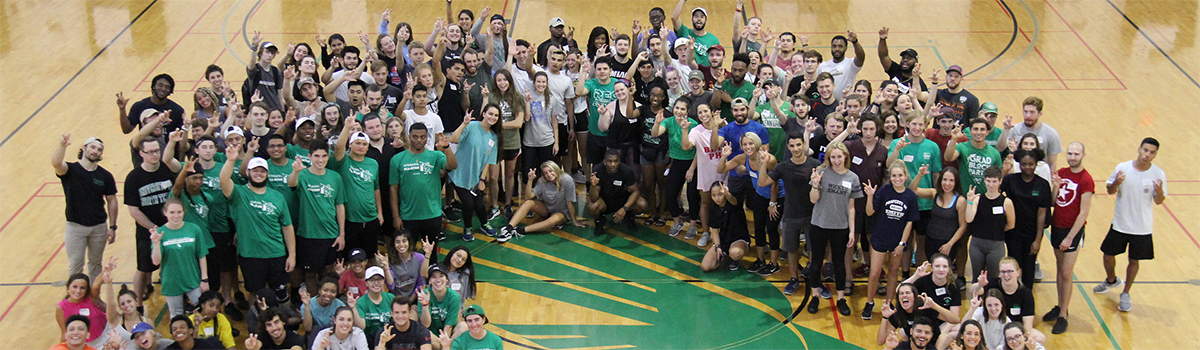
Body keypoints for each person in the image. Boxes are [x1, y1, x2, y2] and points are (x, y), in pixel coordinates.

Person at [1095, 137, 1167, 312]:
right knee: (1107, 255)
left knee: (1134, 261)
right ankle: (1111, 280)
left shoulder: (1158, 174)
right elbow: (1110, 190)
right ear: (1139, 149)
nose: (1147, 155)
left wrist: (1159, 193)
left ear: (1155, 155)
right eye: (1145, 150)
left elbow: (1159, 201)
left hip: (1142, 227)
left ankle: (1126, 293)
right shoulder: (1123, 168)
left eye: (1151, 152)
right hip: (1120, 223)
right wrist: (1116, 183)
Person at [219, 144, 295, 305]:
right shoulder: (239, 194)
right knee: (255, 295)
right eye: (255, 170)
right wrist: (231, 160)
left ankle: (286, 327)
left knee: (281, 295)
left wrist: (292, 255)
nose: (259, 174)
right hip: (251, 255)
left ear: (267, 174)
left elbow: (287, 227)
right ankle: (256, 328)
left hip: (277, 253)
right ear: (248, 173)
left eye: (262, 171)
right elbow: (224, 181)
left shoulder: (278, 197)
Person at [805, 142, 862, 316]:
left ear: (845, 156)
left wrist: (852, 231)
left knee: (839, 264)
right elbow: (813, 200)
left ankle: (841, 298)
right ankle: (814, 296)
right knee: (816, 263)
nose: (836, 160)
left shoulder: (853, 177)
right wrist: (815, 184)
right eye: (833, 157)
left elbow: (851, 207)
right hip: (819, 224)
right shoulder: (821, 173)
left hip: (841, 227)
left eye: (839, 156)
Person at [1041, 141, 1092, 333]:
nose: (1072, 157)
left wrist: (1070, 237)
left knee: (1066, 273)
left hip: (1072, 231)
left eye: (1076, 154)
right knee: (1059, 269)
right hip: (1057, 227)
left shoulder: (1086, 180)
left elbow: (1083, 213)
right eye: (1069, 153)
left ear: (1083, 155)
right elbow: (1054, 202)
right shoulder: (1062, 173)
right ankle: (1060, 305)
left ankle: (1063, 314)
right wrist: (1055, 187)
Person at [53, 134, 118, 279]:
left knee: (96, 263)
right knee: (76, 264)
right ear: (84, 148)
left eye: (99, 149)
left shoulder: (105, 176)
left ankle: (94, 297)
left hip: (99, 227)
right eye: (92, 147)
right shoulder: (70, 170)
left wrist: (113, 227)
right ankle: (75, 300)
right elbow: (57, 163)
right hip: (75, 227)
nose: (95, 151)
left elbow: (112, 200)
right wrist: (62, 146)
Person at [762, 134, 820, 295]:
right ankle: (794, 278)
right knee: (791, 250)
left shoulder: (815, 164)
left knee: (814, 249)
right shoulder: (783, 166)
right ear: (788, 147)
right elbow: (763, 182)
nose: (796, 149)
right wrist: (763, 164)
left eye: (798, 145)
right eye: (792, 146)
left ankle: (816, 279)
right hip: (791, 214)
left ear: (804, 145)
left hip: (812, 215)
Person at [126, 135, 181, 305]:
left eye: (157, 150)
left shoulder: (167, 170)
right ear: (141, 153)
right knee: (144, 269)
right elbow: (134, 211)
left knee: (174, 266)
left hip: (172, 228)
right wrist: (154, 228)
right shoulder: (133, 178)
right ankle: (138, 305)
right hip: (147, 232)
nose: (154, 155)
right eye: (150, 152)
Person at [861, 161, 919, 320]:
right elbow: (870, 211)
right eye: (894, 175)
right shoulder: (884, 191)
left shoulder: (910, 196)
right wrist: (870, 196)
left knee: (893, 272)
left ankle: (888, 303)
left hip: (897, 241)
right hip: (880, 238)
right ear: (890, 177)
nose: (897, 178)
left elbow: (909, 223)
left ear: (905, 176)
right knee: (874, 273)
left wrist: (902, 244)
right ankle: (870, 302)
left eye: (900, 175)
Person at [718, 133, 781, 276]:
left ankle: (774, 264)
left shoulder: (769, 159)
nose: (748, 147)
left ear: (757, 143)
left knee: (771, 228)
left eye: (751, 143)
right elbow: (721, 169)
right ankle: (760, 260)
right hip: (760, 194)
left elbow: (775, 183)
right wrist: (724, 156)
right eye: (745, 144)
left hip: (776, 195)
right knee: (758, 227)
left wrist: (773, 203)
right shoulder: (743, 158)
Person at [886, 111, 941, 273]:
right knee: (905, 241)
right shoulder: (898, 143)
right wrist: (897, 149)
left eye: (920, 124)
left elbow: (937, 173)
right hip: (903, 202)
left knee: (922, 241)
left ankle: (920, 274)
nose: (917, 127)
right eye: (914, 124)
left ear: (926, 126)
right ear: (907, 124)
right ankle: (904, 274)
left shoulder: (932, 147)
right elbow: (890, 165)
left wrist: (937, 196)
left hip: (925, 204)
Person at [288, 141, 346, 293]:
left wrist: (342, 234)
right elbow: (291, 184)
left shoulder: (335, 177)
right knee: (310, 273)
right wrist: (295, 172)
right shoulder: (302, 175)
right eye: (316, 156)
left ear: (328, 157)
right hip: (308, 234)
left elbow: (339, 205)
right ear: (310, 157)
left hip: (331, 233)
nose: (320, 160)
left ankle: (327, 304)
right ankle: (313, 307)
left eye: (324, 156)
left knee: (329, 271)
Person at [389, 122, 458, 243]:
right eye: (415, 137)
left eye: (423, 137)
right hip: (408, 215)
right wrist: (396, 216)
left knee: (431, 253)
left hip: (432, 215)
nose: (419, 140)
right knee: (408, 253)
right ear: (409, 136)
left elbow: (452, 165)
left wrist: (446, 147)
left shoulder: (435, 155)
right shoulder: (397, 159)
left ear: (427, 137)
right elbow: (393, 189)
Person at [150, 198, 213, 317]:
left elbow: (201, 255)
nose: (176, 216)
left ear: (184, 212)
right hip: (171, 282)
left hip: (192, 279)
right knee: (176, 315)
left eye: (179, 212)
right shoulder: (160, 233)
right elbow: (156, 261)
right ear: (165, 213)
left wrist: (204, 279)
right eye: (172, 212)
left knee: (204, 311)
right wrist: (157, 243)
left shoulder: (194, 229)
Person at [1001, 149, 1052, 289]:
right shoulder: (1011, 180)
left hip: (1031, 234)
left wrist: (1038, 240)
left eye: (1031, 164)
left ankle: (1027, 301)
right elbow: (995, 190)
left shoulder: (1042, 185)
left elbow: (1042, 214)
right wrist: (1004, 171)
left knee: (1029, 271)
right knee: (1013, 268)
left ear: (1036, 164)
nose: (1027, 167)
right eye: (1024, 164)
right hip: (1013, 233)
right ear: (1019, 164)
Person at [332, 119, 383, 258]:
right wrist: (347, 127)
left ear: (368, 147)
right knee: (349, 258)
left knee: (371, 257)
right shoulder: (343, 161)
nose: (361, 146)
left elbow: (376, 188)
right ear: (350, 144)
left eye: (364, 144)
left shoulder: (373, 164)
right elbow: (338, 148)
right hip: (350, 220)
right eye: (358, 143)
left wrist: (380, 212)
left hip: (371, 218)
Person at [968, 257, 1046, 345]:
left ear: (1018, 273)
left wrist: (1024, 338)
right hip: (992, 326)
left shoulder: (1025, 294)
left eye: (1010, 271)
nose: (1006, 275)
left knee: (1040, 338)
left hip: (1013, 329)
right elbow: (973, 291)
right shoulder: (993, 284)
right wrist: (979, 285)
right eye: (1003, 272)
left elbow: (1027, 324)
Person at [448, 107, 499, 241]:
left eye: (496, 115)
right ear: (483, 114)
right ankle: (468, 228)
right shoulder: (471, 126)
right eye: (490, 114)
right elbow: (453, 139)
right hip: (459, 173)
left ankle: (484, 224)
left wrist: (482, 180)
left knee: (480, 205)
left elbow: (488, 161)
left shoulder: (494, 137)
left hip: (476, 177)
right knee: (469, 204)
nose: (493, 117)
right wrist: (464, 124)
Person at [498, 161, 583, 240]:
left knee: (555, 219)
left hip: (562, 212)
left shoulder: (567, 180)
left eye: (551, 171)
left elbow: (569, 203)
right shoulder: (542, 181)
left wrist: (574, 221)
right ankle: (509, 228)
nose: (549, 175)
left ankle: (520, 231)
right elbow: (528, 197)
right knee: (528, 203)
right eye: (546, 173)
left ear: (556, 169)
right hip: (547, 209)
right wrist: (530, 180)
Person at [653, 98, 700, 237]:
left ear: (688, 111)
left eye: (682, 109)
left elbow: (699, 150)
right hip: (677, 163)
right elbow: (655, 133)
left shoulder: (694, 125)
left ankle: (692, 225)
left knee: (692, 196)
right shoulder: (669, 121)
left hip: (693, 163)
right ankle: (677, 221)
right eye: (677, 108)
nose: (679, 111)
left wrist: (692, 169)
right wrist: (657, 122)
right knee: (670, 193)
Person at [968, 166, 1015, 282]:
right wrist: (969, 201)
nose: (991, 184)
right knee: (977, 277)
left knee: (994, 278)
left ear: (1000, 181)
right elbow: (969, 219)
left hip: (996, 245)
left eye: (994, 181)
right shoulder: (977, 199)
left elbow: (1011, 224)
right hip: (977, 244)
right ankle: (976, 300)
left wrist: (996, 229)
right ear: (984, 181)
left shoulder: (1006, 202)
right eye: (988, 181)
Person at [587, 149, 649, 234]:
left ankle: (629, 216)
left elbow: (635, 192)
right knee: (592, 207)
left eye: (616, 161)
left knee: (642, 204)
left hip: (621, 199)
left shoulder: (626, 170)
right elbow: (593, 198)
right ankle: (599, 220)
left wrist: (625, 208)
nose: (613, 164)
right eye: (610, 161)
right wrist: (593, 186)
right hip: (605, 201)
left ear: (619, 161)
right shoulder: (597, 171)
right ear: (604, 162)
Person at [902, 255, 964, 333]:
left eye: (945, 266)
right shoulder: (923, 280)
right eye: (937, 266)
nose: (941, 269)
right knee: (903, 332)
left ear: (949, 269)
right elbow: (899, 291)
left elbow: (955, 317)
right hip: (923, 321)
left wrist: (942, 332)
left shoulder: (953, 285)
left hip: (944, 320)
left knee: (958, 330)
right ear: (931, 267)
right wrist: (915, 276)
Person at [997, 97, 1062, 171]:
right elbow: (1000, 148)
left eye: (1032, 112)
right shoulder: (1014, 129)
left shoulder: (1051, 134)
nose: (1028, 115)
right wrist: (1006, 130)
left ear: (1040, 113)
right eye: (1025, 112)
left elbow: (1052, 164)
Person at [118, 74, 186, 135]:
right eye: (160, 85)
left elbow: (181, 137)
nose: (163, 89)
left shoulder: (177, 110)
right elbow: (126, 130)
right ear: (153, 86)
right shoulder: (139, 106)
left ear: (170, 91)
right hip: (146, 148)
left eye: (167, 87)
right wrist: (122, 109)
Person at [57, 272, 109, 347]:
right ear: (68, 287)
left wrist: (106, 270)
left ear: (87, 290)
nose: (78, 291)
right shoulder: (61, 307)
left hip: (104, 336)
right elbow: (64, 332)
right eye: (75, 287)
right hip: (83, 343)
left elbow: (96, 285)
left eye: (82, 288)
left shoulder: (91, 298)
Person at [419, 264, 463, 345]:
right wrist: (425, 304)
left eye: (441, 276)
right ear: (429, 281)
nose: (438, 280)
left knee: (463, 326)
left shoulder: (454, 296)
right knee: (425, 333)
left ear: (446, 279)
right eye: (433, 277)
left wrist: (444, 345)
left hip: (447, 336)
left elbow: (448, 326)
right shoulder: (424, 294)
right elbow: (425, 324)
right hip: (431, 336)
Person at [875, 27, 927, 95]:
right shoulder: (896, 69)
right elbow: (883, 56)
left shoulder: (919, 84)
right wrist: (882, 39)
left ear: (916, 63)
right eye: (903, 57)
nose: (905, 60)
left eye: (909, 58)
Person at [817, 32, 866, 100]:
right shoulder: (822, 66)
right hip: (827, 105)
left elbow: (861, 57)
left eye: (840, 46)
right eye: (834, 46)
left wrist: (855, 42)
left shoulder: (851, 64)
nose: (837, 49)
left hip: (846, 105)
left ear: (846, 48)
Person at [351, 266, 394, 344]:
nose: (376, 283)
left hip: (389, 337)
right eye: (372, 280)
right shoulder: (361, 302)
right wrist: (353, 308)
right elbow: (361, 327)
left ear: (384, 281)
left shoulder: (391, 298)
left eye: (379, 279)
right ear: (366, 283)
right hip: (368, 340)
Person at [671, 0, 719, 67]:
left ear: (706, 20)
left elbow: (717, 61)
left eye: (702, 17)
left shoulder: (713, 40)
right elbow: (674, 18)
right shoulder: (684, 32)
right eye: (696, 16)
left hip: (705, 75)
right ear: (692, 19)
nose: (699, 19)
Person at [434, 305, 502, 350]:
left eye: (476, 320)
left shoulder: (495, 340)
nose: (474, 324)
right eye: (469, 321)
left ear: (483, 320)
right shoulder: (460, 342)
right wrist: (445, 347)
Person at [383, 231, 427, 300]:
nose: (401, 244)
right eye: (397, 242)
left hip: (414, 298)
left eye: (404, 241)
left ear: (409, 242)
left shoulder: (420, 258)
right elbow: (391, 286)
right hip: (396, 300)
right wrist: (386, 267)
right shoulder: (390, 261)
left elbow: (421, 283)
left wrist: (410, 301)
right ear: (394, 244)